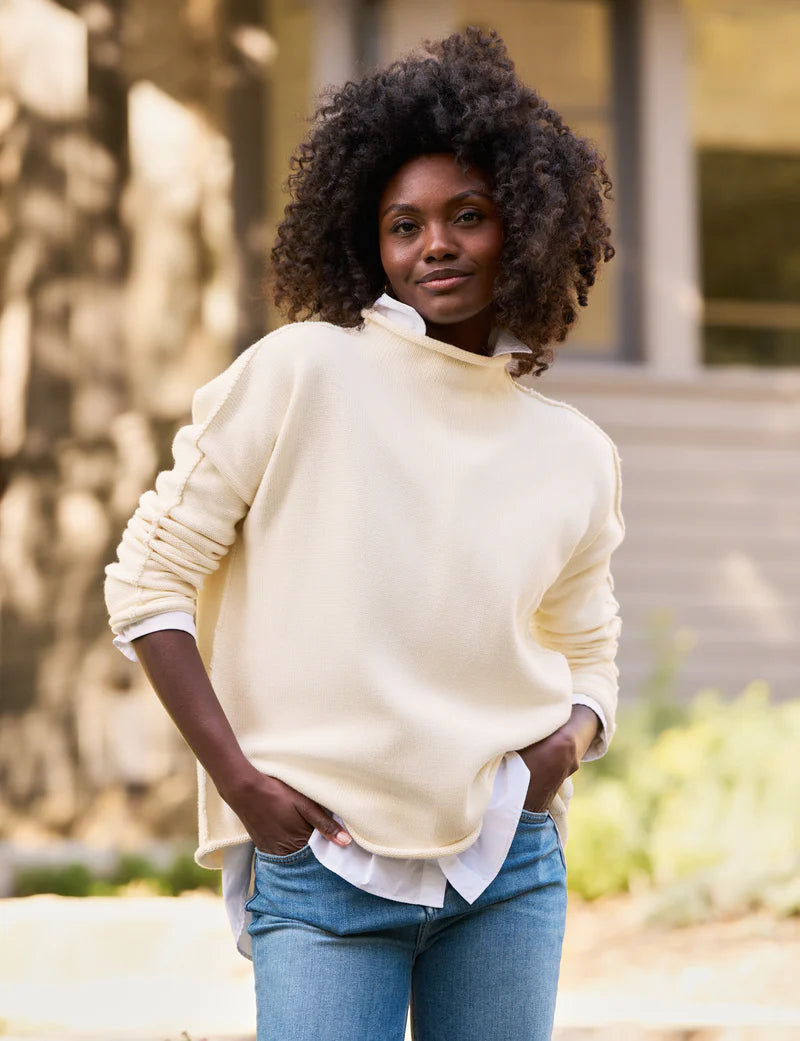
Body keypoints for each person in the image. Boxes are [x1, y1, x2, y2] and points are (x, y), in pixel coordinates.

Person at [104, 26, 624, 1041]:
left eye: (465, 216)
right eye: (403, 224)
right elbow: (145, 583)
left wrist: (562, 749)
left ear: (521, 225)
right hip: (323, 868)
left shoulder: (571, 450)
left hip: (504, 871)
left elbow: (587, 644)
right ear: (365, 242)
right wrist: (241, 784)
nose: (433, 244)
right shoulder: (300, 372)